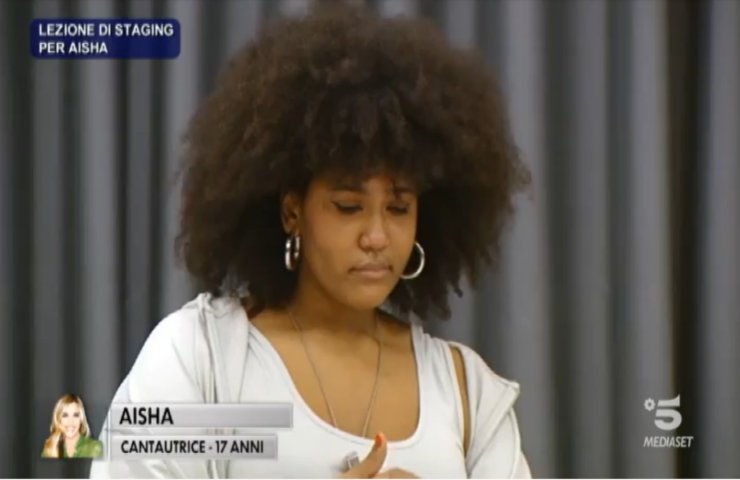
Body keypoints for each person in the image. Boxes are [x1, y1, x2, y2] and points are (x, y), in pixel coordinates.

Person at [91, 2, 531, 478]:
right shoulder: (200, 359)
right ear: (292, 212)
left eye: (398, 208)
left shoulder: (468, 396)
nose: (377, 236)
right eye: (348, 206)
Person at [42, 394, 103, 459]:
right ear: (58, 419)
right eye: (65, 415)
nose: (71, 422)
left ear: (81, 419)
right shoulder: (49, 448)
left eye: (75, 415)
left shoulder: (96, 448)